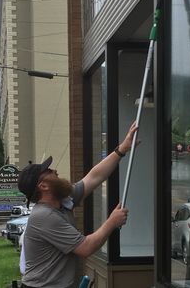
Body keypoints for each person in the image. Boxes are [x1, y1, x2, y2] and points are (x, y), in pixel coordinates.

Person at [18, 123, 138, 288]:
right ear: (43, 186)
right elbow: (85, 248)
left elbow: (94, 177)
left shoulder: (62, 200)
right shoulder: (44, 216)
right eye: (49, 171)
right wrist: (112, 222)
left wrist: (122, 149)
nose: (55, 171)